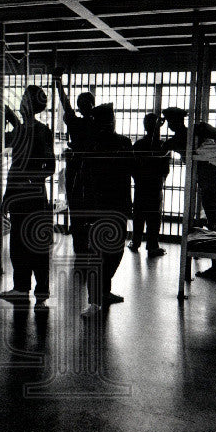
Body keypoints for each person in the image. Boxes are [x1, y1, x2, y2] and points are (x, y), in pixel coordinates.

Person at [162, 106, 216, 280]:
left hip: (213, 181)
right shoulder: (192, 133)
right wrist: (209, 132)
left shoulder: (191, 133)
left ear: (177, 121)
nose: (171, 125)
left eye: (171, 121)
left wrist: (209, 133)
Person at [0, 85, 56, 305]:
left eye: (24, 98)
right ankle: (22, 288)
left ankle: (40, 292)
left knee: (36, 246)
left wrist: (29, 179)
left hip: (32, 197)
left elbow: (49, 166)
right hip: (20, 196)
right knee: (19, 246)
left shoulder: (41, 131)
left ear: (31, 104)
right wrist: (7, 197)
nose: (21, 101)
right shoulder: (24, 129)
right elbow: (14, 169)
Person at [78, 103, 133, 317]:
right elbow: (84, 179)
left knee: (113, 251)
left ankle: (104, 292)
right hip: (101, 206)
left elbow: (132, 169)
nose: (108, 125)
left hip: (114, 205)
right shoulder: (93, 144)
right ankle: (94, 300)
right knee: (100, 254)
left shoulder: (121, 143)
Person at [53, 67, 96, 253]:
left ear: (79, 106)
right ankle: (90, 243)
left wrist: (58, 81)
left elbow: (65, 102)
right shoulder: (97, 124)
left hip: (75, 168)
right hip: (93, 170)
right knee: (92, 208)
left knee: (76, 207)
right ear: (93, 106)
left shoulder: (75, 122)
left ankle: (79, 246)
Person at [130, 112, 171, 257]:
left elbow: (132, 166)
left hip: (141, 185)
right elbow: (165, 169)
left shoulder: (138, 144)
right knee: (154, 217)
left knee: (139, 215)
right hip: (155, 185)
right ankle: (152, 245)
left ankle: (135, 243)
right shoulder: (163, 145)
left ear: (144, 126)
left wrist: (139, 179)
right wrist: (159, 180)